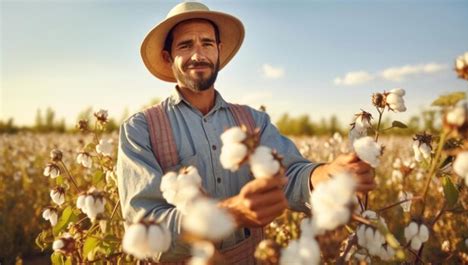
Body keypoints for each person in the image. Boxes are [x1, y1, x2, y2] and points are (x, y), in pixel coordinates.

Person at [117, 1, 375, 263]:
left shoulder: (253, 121)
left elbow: (290, 175)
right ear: (167, 57)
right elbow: (143, 221)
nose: (198, 54)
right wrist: (230, 213)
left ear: (218, 50)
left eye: (206, 43)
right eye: (185, 45)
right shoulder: (140, 130)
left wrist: (326, 174)